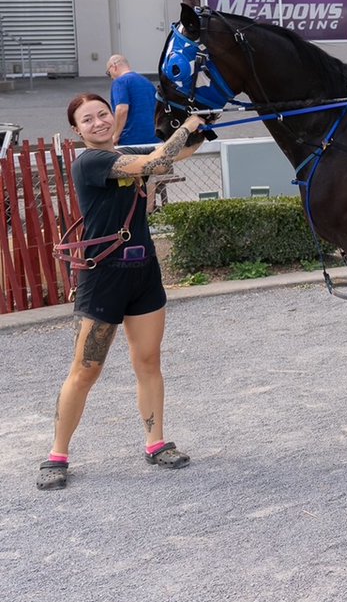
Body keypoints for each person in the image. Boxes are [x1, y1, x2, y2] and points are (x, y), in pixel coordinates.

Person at [37, 93, 208, 491]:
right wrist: (187, 127)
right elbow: (157, 162)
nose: (98, 122)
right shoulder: (90, 161)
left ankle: (156, 443)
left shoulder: (124, 150)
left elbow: (183, 151)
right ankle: (57, 455)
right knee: (85, 370)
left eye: (102, 114)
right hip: (105, 278)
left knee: (148, 361)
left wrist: (200, 121)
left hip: (143, 272)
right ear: (76, 130)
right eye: (88, 119)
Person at [106, 54, 159, 147]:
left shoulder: (120, 82)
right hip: (154, 139)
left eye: (108, 73)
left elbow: (122, 109)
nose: (110, 77)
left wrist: (116, 135)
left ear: (114, 67)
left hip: (131, 140)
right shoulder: (146, 82)